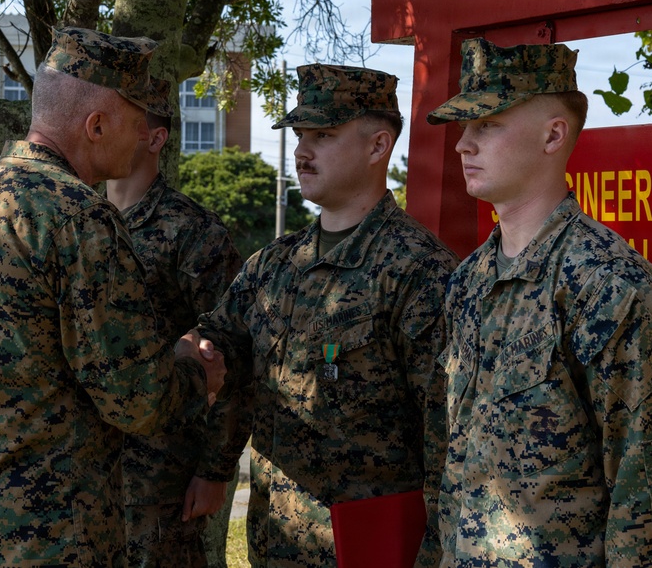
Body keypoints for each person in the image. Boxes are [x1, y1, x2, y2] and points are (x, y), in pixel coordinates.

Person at [0, 27, 226, 567]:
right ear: (96, 125)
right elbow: (136, 399)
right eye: (137, 121)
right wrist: (193, 370)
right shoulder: (79, 218)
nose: (145, 134)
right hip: (51, 542)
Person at [428, 38, 652, 566]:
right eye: (464, 128)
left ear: (553, 134)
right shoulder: (468, 282)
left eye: (486, 124)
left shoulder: (606, 283)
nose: (463, 144)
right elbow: (456, 467)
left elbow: (651, 488)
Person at [195, 63, 459, 568]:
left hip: (370, 549)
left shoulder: (419, 271)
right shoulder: (274, 264)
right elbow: (222, 350)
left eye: (324, 134)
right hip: (275, 545)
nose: (301, 150)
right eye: (300, 135)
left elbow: (448, 441)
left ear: (378, 146)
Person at [107, 86, 245, 568]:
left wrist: (215, 470)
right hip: (78, 475)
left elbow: (234, 353)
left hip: (159, 478)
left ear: (155, 137)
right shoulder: (77, 221)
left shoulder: (192, 232)